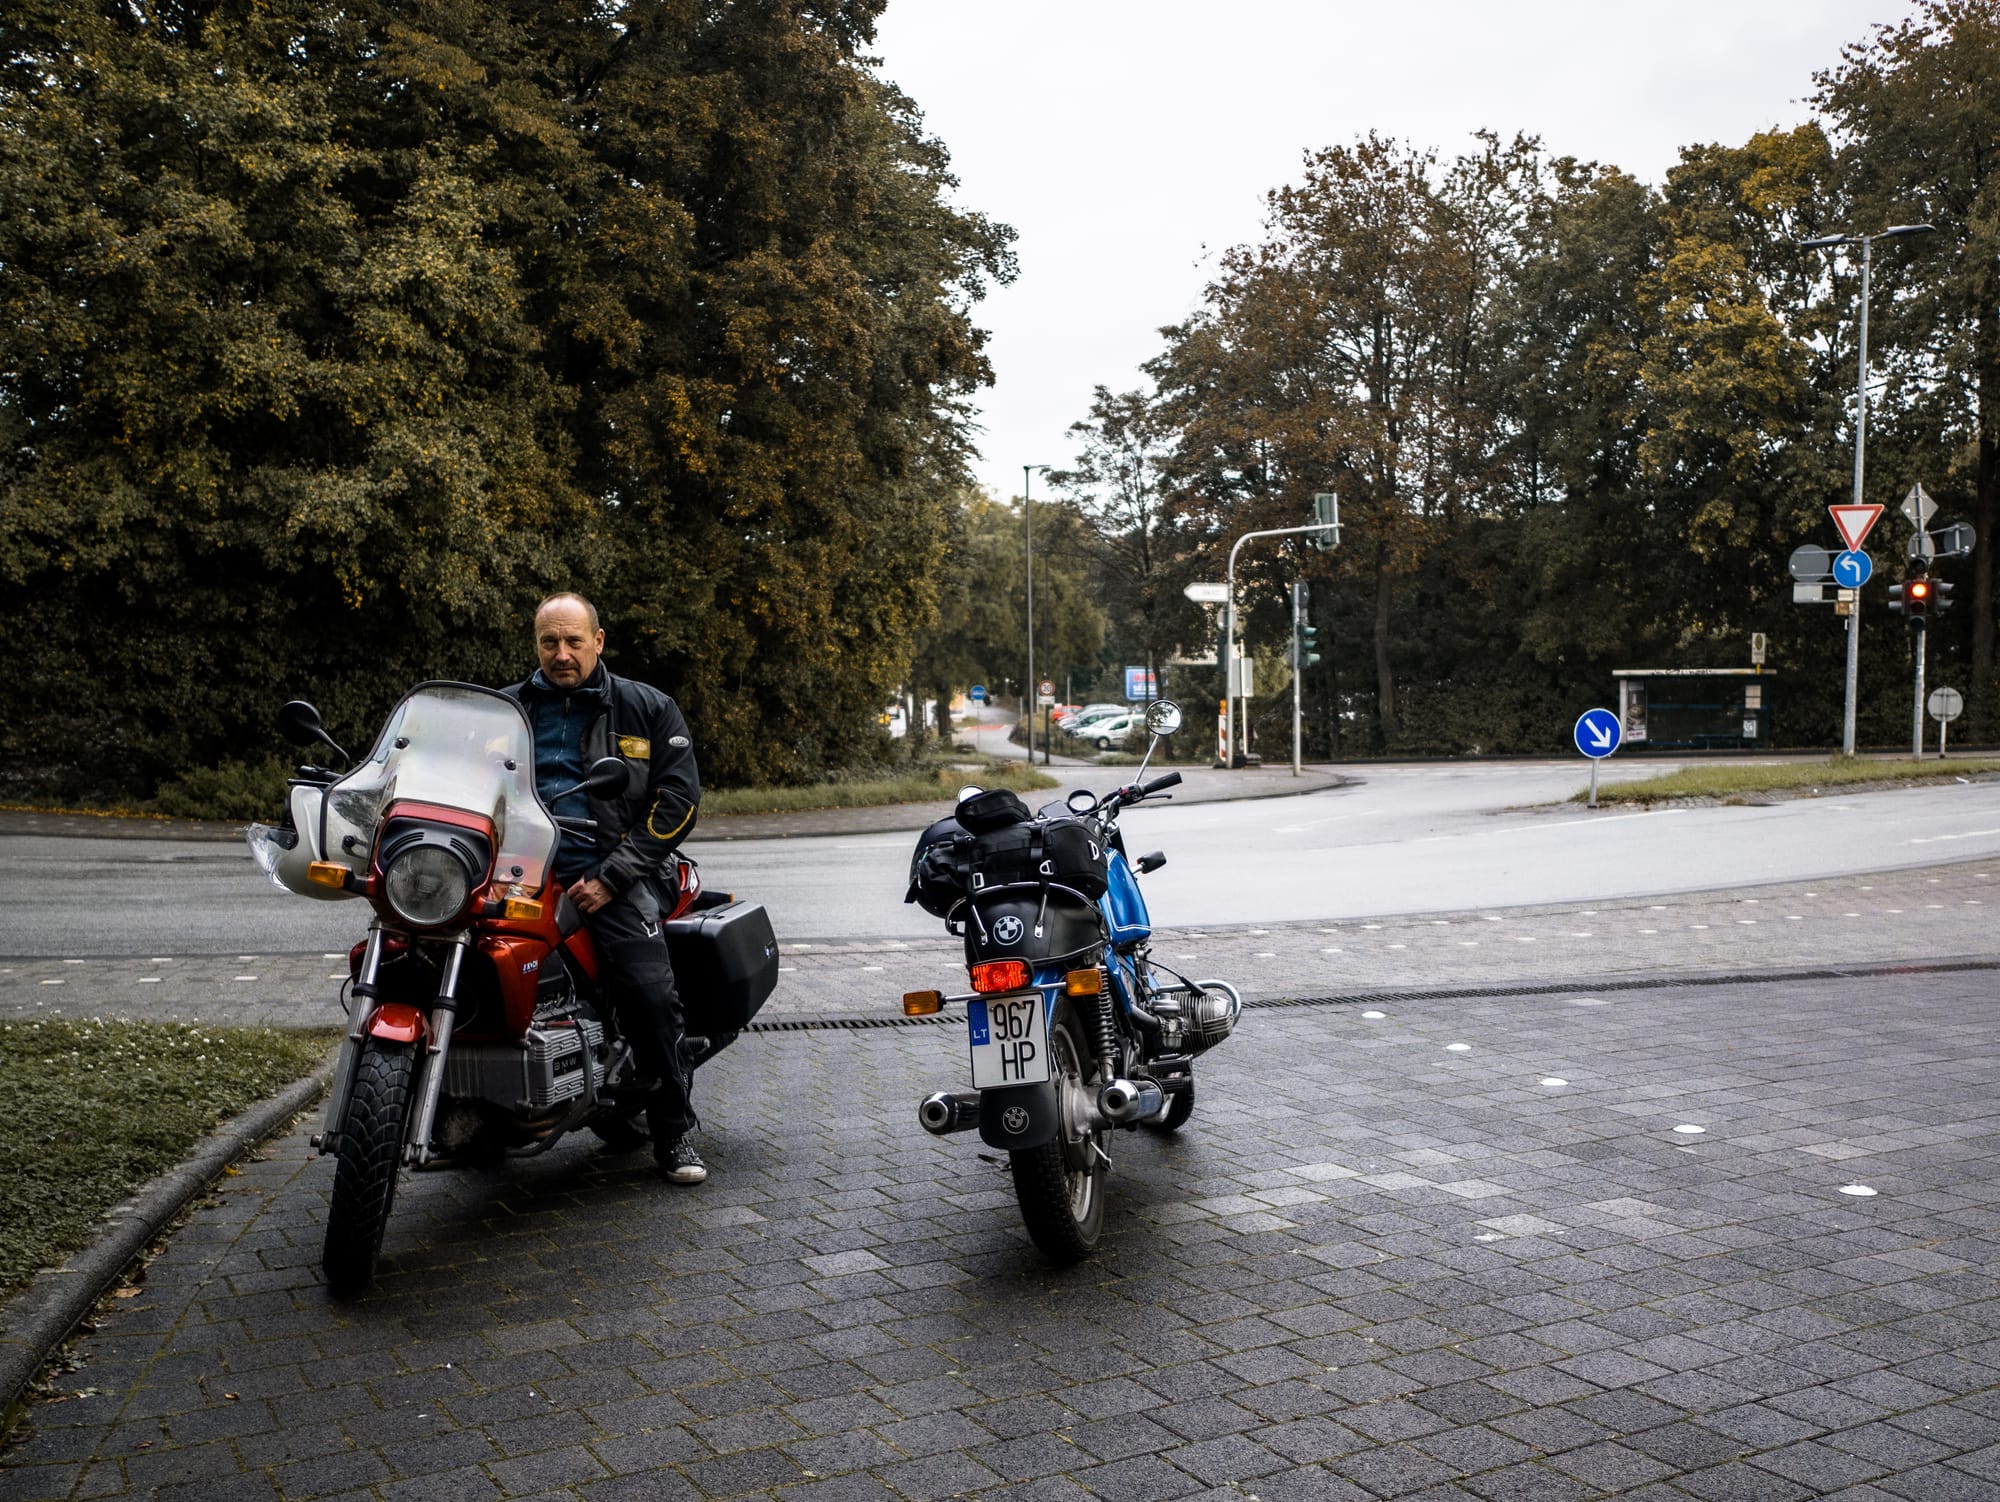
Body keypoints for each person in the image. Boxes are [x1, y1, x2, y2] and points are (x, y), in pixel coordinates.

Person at [503, 592, 707, 1184]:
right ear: (536, 644)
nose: (561, 654)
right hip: (521, 873)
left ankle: (673, 1130)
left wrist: (611, 876)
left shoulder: (647, 708)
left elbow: (678, 802)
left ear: (598, 641)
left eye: (573, 641)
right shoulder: (507, 711)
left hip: (616, 871)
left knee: (648, 991)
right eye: (549, 642)